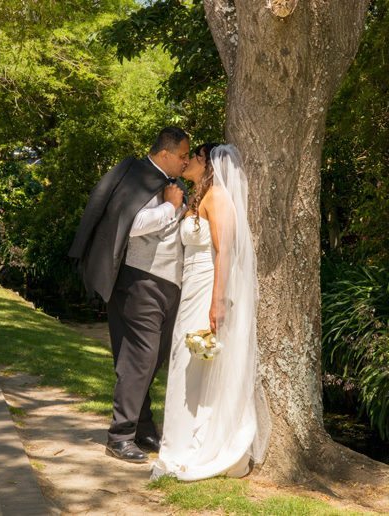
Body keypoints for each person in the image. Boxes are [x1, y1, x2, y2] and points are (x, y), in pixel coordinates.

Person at [68, 127, 190, 463]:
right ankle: (120, 435)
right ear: (165, 153)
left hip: (168, 283)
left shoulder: (169, 183)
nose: (184, 162)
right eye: (182, 156)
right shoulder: (139, 176)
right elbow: (130, 224)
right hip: (139, 282)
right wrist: (169, 207)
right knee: (139, 358)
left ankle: (143, 425)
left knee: (153, 358)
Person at [151, 143, 271, 481]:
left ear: (208, 165)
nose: (187, 160)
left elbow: (224, 252)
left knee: (195, 361)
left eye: (195, 157)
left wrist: (217, 301)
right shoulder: (197, 197)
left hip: (207, 287)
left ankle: (197, 443)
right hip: (190, 287)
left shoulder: (217, 198)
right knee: (184, 361)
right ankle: (178, 440)